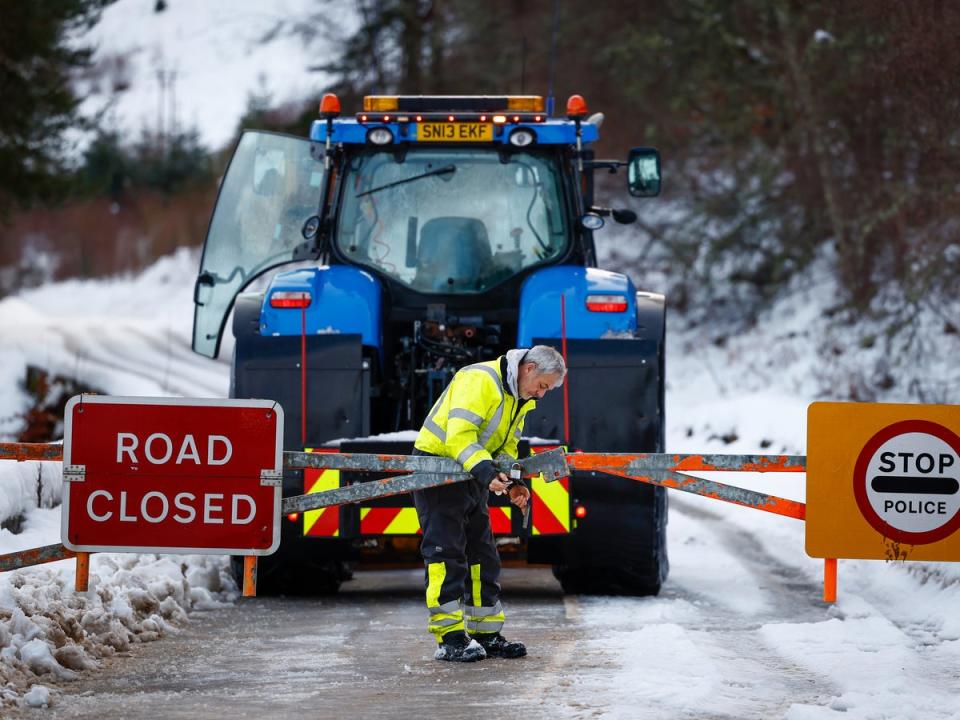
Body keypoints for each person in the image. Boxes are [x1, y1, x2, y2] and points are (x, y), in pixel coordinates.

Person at [412, 345, 567, 662]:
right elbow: (458, 437)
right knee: (446, 555)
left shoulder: (517, 397)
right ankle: (450, 638)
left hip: (468, 472)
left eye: (546, 390)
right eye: (542, 386)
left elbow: (506, 447)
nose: (540, 395)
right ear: (528, 368)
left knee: (483, 556)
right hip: (437, 471)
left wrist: (512, 482)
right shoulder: (480, 379)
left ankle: (486, 635)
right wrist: (485, 472)